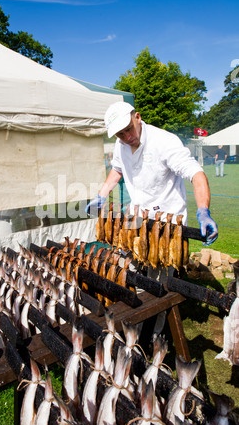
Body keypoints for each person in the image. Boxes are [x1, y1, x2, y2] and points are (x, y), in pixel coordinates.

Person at [85, 101, 218, 343]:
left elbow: (196, 174)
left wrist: (203, 211)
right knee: (130, 274)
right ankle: (132, 326)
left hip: (167, 228)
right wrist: (101, 195)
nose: (126, 137)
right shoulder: (121, 143)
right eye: (120, 134)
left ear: (138, 117)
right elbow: (117, 169)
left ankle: (154, 336)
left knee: (159, 285)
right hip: (137, 221)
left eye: (128, 130)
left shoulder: (164, 142)